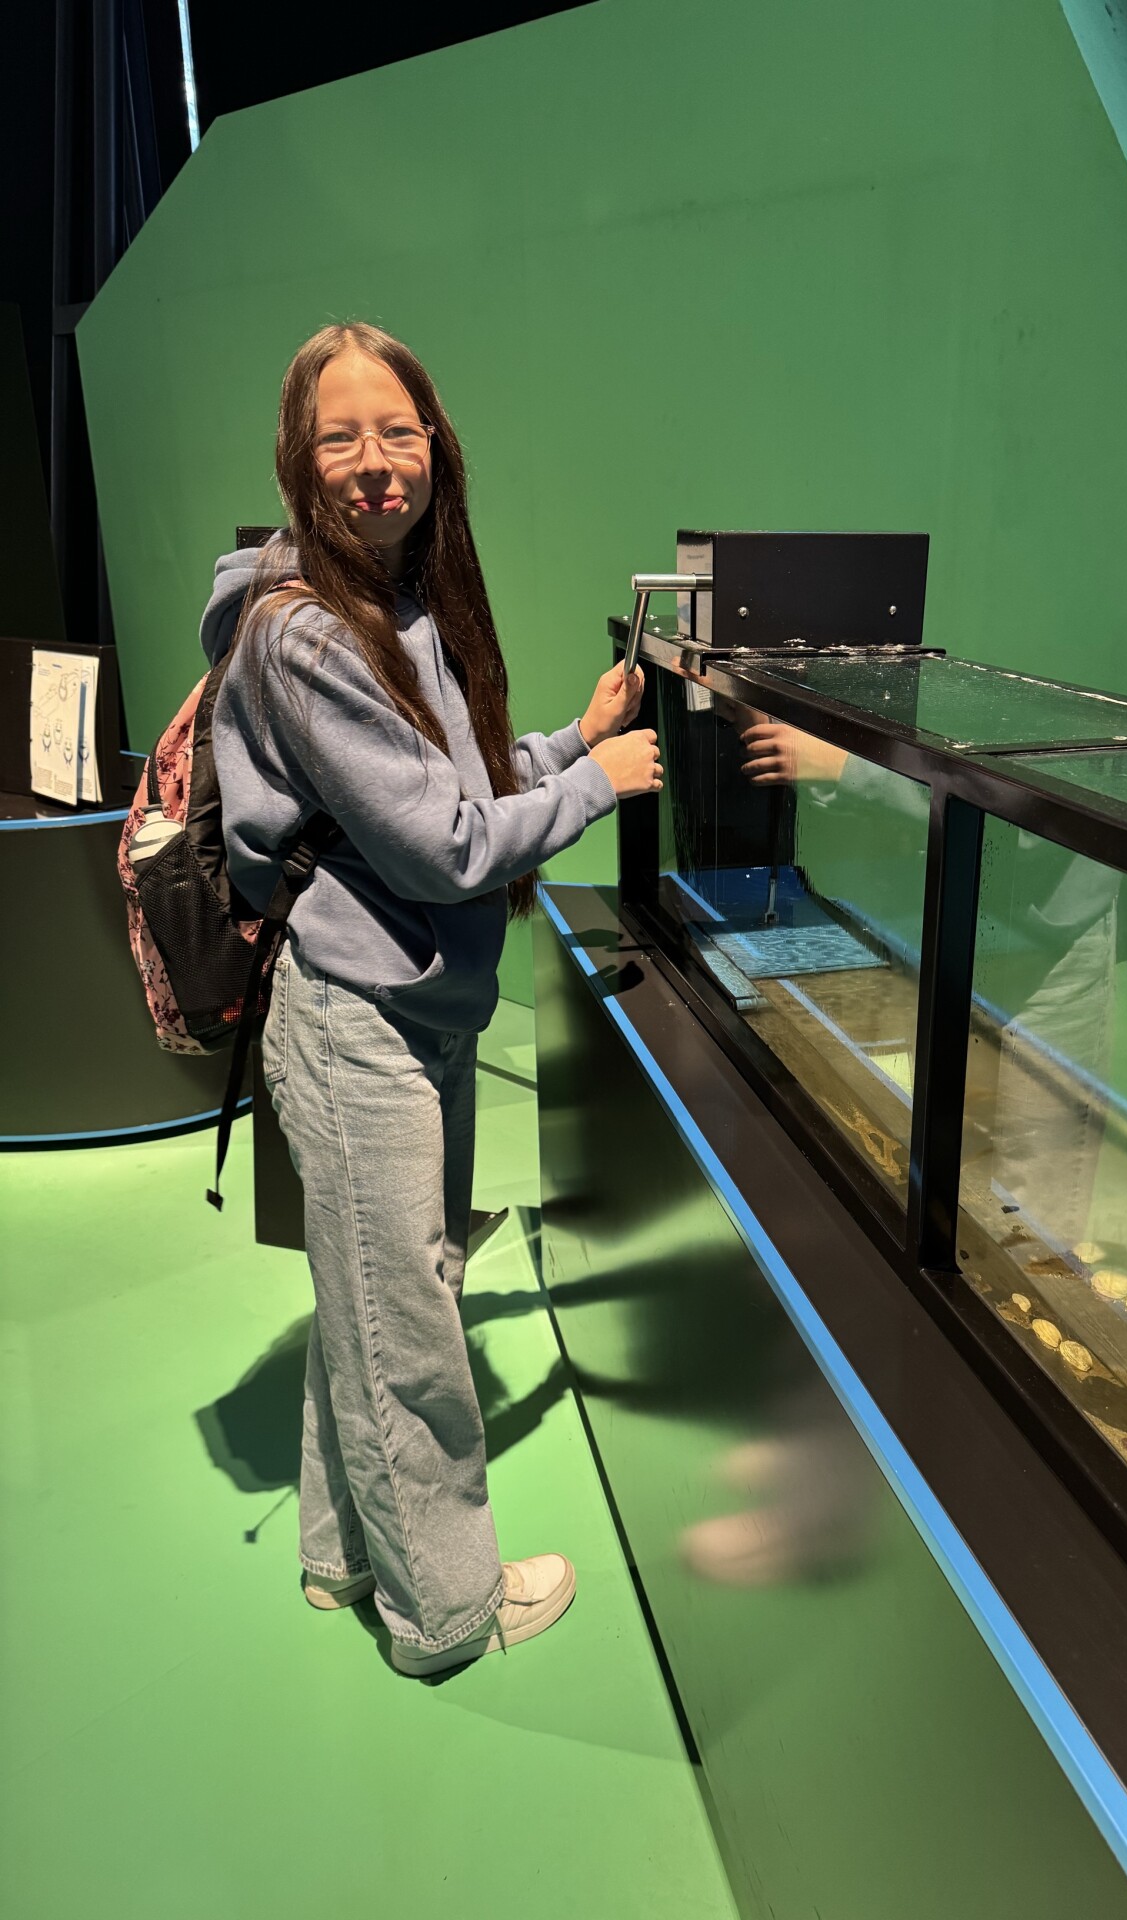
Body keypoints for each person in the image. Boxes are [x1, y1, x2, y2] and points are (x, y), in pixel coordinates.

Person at [200, 322, 662, 1677]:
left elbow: (453, 781)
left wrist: (570, 738)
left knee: (370, 1296)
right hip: (357, 1022)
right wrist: (598, 786)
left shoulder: (401, 606)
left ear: (435, 447)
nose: (375, 462)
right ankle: (445, 1614)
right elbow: (444, 848)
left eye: (397, 431)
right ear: (297, 462)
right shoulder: (302, 633)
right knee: (406, 1325)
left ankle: (341, 1554)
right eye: (340, 437)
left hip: (413, 1011)